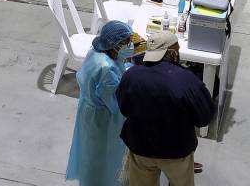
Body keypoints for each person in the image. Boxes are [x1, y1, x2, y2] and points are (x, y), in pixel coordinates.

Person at [116, 33, 214, 186]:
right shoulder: (187, 80)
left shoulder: (131, 75)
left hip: (140, 147)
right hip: (176, 152)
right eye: (178, 50)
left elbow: (124, 108)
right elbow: (204, 118)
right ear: (173, 53)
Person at [66, 21, 133, 186]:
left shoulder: (95, 53)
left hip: (88, 111)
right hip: (103, 118)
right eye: (126, 43)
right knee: (105, 156)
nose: (130, 46)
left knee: (89, 153)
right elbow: (114, 103)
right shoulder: (106, 69)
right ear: (114, 44)